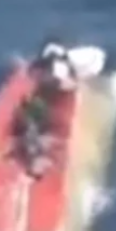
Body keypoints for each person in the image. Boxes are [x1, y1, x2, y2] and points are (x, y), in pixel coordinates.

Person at [9, 38, 77, 178]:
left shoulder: (42, 73)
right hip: (33, 118)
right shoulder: (31, 142)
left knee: (37, 123)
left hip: (33, 115)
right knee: (36, 128)